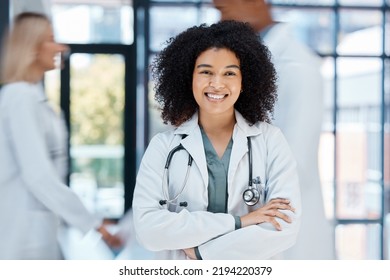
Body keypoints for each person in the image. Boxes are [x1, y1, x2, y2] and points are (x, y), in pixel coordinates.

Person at [132, 20, 301, 260]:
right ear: (188, 78)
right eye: (206, 72)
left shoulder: (270, 141)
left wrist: (203, 253)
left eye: (230, 73)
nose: (217, 83)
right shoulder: (163, 147)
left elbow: (284, 225)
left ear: (245, 82)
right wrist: (240, 222)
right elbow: (148, 231)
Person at [212, 0, 334, 259]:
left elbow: (294, 165)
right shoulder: (246, 66)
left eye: (224, 10)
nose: (221, 21)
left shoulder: (298, 67)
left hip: (289, 244)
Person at [0, 12, 120, 259]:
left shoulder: (35, 99)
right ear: (32, 48)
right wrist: (93, 223)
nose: (61, 47)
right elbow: (39, 175)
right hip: (21, 240)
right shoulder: (20, 98)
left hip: (41, 236)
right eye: (51, 39)